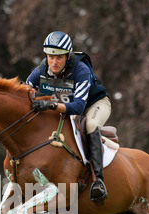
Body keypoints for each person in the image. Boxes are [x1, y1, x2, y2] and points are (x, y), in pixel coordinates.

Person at [26, 31, 111, 204]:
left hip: (95, 105)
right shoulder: (41, 70)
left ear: (68, 56)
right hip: (66, 108)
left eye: (59, 58)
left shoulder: (81, 69)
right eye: (50, 57)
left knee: (91, 124)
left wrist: (51, 105)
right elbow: (23, 92)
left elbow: (79, 107)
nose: (54, 62)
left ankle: (98, 181)